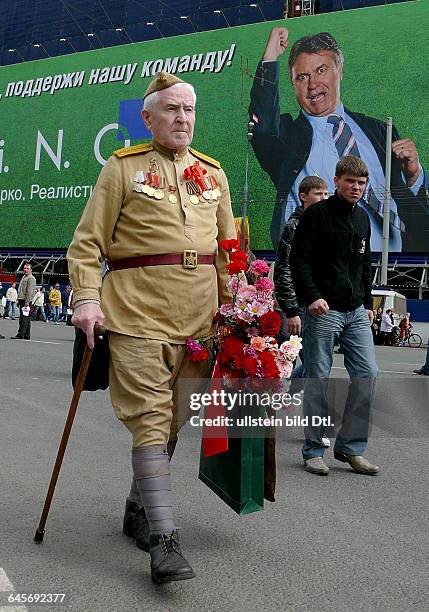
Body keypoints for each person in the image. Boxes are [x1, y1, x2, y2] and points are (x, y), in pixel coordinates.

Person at [67, 71, 236, 584]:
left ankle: (137, 509)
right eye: (171, 110)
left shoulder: (214, 173)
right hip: (137, 316)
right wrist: (87, 299)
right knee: (149, 417)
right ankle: (164, 538)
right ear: (148, 118)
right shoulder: (122, 169)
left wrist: (241, 314)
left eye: (188, 110)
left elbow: (229, 254)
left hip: (200, 324)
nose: (182, 118)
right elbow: (87, 243)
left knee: (174, 421)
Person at [250, 27, 429, 251]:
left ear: (339, 71)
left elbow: (409, 207)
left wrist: (414, 177)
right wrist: (269, 59)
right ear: (294, 85)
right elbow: (264, 128)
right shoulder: (285, 137)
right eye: (302, 77)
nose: (312, 84)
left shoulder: (380, 131)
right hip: (320, 268)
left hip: (392, 266)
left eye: (321, 70)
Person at [290, 155, 379, 477]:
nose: (356, 188)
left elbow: (364, 265)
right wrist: (311, 297)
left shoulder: (363, 219)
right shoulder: (316, 216)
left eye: (361, 183)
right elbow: (298, 261)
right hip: (323, 310)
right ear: (337, 181)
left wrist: (368, 302)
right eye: (350, 182)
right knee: (318, 380)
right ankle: (313, 451)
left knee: (368, 373)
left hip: (355, 310)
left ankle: (350, 448)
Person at [11, 262, 36, 340]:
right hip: (22, 300)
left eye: (27, 268)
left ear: (31, 270)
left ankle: (20, 334)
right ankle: (26, 335)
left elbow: (30, 291)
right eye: (24, 268)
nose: (25, 270)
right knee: (27, 319)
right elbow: (21, 290)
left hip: (26, 301)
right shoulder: (24, 277)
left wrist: (27, 303)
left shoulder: (31, 278)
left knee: (23, 319)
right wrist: (18, 299)